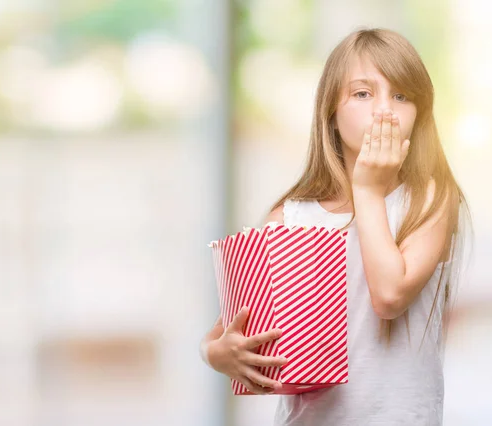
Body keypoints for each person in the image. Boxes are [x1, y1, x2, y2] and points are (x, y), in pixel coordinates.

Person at [200, 27, 472, 425]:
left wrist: (367, 189)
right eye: (363, 94)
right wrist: (216, 354)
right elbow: (228, 329)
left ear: (420, 113)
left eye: (401, 96)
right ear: (331, 110)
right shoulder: (290, 218)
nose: (384, 110)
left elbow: (390, 295)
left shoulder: (430, 199)